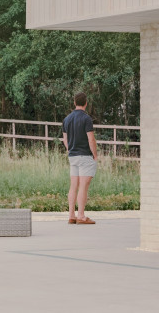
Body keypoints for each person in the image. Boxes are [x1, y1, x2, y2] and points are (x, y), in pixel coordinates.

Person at [62, 91, 98, 224]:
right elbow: (91, 139)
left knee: (73, 186)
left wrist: (70, 149)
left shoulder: (67, 119)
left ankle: (71, 215)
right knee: (83, 186)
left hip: (73, 156)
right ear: (86, 103)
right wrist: (95, 154)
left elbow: (65, 140)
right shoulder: (86, 119)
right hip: (85, 156)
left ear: (74, 103)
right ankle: (81, 216)